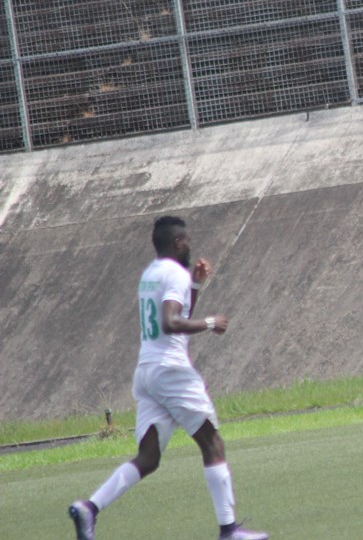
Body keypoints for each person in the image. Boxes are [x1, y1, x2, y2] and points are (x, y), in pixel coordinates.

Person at [69, 216, 268, 540]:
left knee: (148, 458)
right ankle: (229, 530)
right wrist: (210, 323)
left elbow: (176, 314)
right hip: (170, 370)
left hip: (147, 372)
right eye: (186, 240)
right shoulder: (175, 273)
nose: (190, 245)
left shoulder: (151, 274)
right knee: (212, 443)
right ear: (177, 243)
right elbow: (171, 321)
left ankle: (89, 508)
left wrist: (195, 286)